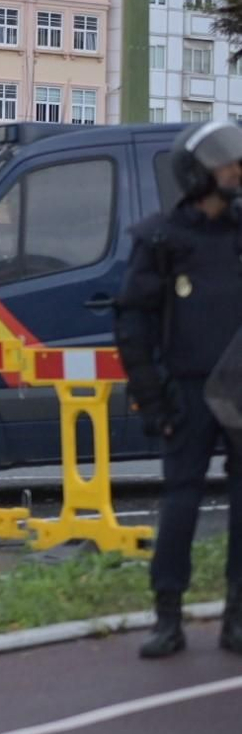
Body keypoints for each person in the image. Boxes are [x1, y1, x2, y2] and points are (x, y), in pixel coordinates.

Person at [115, 121, 242, 659]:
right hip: (187, 391)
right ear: (197, 173)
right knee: (181, 499)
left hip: (239, 390)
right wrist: (154, 396)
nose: (235, 168)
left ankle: (237, 617)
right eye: (225, 161)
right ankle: (168, 616)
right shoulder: (161, 239)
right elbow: (134, 325)